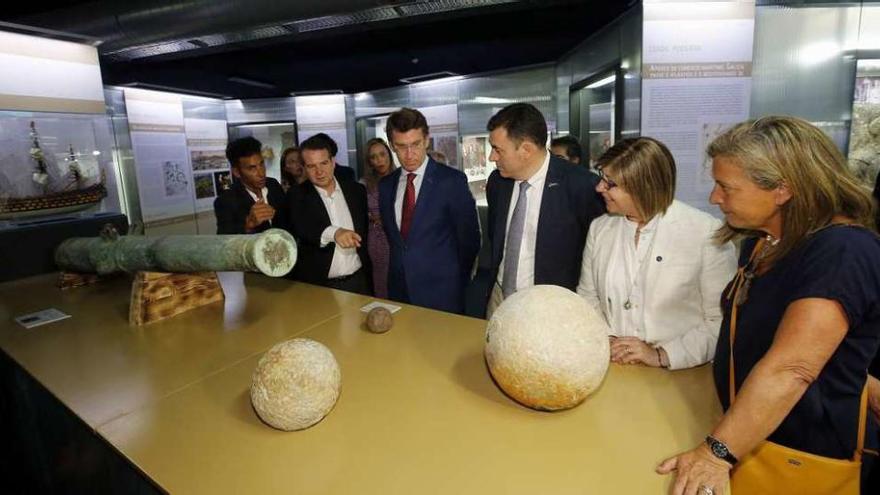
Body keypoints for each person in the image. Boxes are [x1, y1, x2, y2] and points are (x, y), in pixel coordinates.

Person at [658, 116, 880, 495]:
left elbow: (792, 368)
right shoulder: (762, 242)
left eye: (726, 187)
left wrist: (715, 455)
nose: (715, 198)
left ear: (782, 190)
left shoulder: (843, 251)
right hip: (750, 435)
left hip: (802, 454)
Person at [576, 137, 736, 370]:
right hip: (613, 367)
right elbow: (588, 298)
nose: (599, 188)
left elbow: (721, 320)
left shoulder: (706, 233)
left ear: (643, 187)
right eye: (602, 179)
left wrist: (661, 354)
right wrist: (607, 339)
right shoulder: (600, 229)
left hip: (682, 373)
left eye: (611, 184)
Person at [484, 103, 605, 317]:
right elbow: (496, 239)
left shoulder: (582, 186)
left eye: (498, 149)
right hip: (499, 298)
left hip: (551, 308)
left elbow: (596, 258)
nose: (492, 157)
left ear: (526, 150)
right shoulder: (497, 182)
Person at [378, 107, 480, 314]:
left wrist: (455, 280)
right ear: (391, 146)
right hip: (400, 289)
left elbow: (469, 240)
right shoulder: (386, 185)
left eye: (415, 144)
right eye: (401, 146)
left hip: (442, 292)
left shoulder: (452, 181)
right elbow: (395, 239)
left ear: (426, 140)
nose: (409, 154)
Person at [286, 133, 371, 294]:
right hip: (319, 286)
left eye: (324, 163)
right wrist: (335, 233)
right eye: (312, 166)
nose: (319, 171)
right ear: (304, 168)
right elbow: (304, 226)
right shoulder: (296, 195)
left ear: (333, 162)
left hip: (358, 282)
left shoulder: (356, 191)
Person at [214, 136, 286, 234]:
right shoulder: (226, 201)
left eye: (261, 164)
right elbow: (225, 241)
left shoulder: (273, 185)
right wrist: (248, 226)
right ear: (236, 172)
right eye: (252, 168)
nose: (261, 173)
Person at [362, 138, 396, 298]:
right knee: (381, 280)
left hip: (399, 236)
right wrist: (371, 216)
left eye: (382, 154)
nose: (379, 160)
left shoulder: (402, 179)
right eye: (373, 157)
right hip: (376, 237)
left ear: (389, 154)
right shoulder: (364, 184)